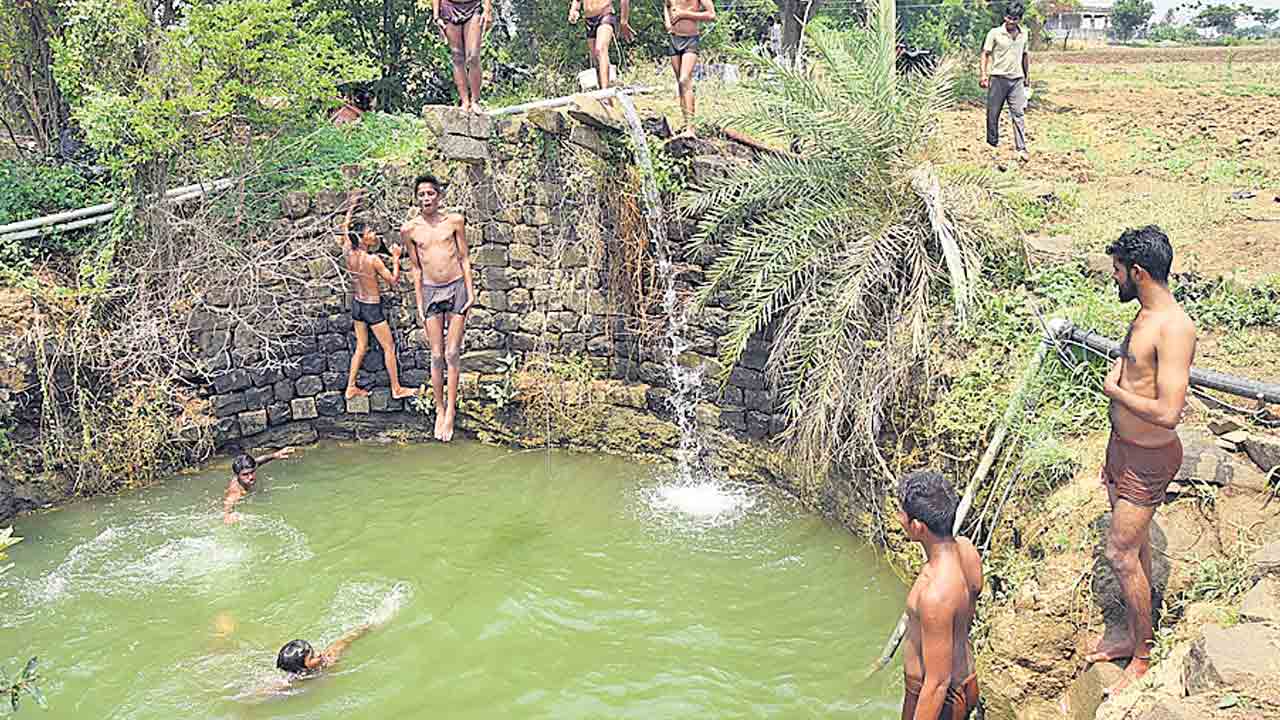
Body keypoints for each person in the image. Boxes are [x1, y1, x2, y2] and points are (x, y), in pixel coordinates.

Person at [1086, 225, 1196, 696]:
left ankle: (1144, 657)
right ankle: (1132, 635)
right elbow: (1135, 368)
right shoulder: (1144, 314)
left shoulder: (1174, 326)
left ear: (1138, 272)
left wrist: (1113, 391)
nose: (1113, 279)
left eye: (1117, 271)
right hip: (1123, 450)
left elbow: (1170, 412)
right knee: (1137, 548)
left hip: (1148, 459)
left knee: (1120, 552)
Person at [898, 469, 983, 720]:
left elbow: (937, 684)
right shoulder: (968, 551)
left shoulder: (935, 593)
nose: (898, 518)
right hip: (964, 680)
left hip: (940, 701)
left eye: (901, 513)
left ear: (918, 526)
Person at [401, 175, 475, 443]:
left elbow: (464, 257)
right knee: (436, 355)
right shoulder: (409, 230)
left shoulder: (454, 221)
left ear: (438, 196)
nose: (426, 199)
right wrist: (419, 301)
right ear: (416, 198)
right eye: (421, 194)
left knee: (452, 352)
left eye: (430, 194)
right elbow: (416, 268)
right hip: (431, 291)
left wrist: (471, 290)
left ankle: (451, 411)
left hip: (456, 287)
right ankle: (439, 409)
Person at [337, 189, 419, 402]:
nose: (374, 234)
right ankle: (396, 388)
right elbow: (392, 280)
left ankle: (350, 387)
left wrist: (352, 204)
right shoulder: (372, 260)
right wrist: (395, 257)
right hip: (372, 308)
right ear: (362, 239)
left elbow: (345, 227)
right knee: (388, 346)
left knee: (361, 347)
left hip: (357, 304)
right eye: (370, 232)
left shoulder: (348, 250)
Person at [980, 4, 1030, 163]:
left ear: (1019, 20)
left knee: (1018, 114)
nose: (1010, 22)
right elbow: (985, 54)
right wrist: (983, 74)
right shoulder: (994, 33)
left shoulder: (1024, 34)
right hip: (998, 78)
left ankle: (1021, 148)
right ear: (1004, 17)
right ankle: (992, 145)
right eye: (1008, 18)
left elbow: (1025, 55)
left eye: (1014, 19)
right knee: (993, 114)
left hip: (1017, 80)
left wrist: (1027, 76)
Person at [663, 0, 716, 135]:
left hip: (691, 39)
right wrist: (668, 22)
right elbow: (667, 5)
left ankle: (691, 128)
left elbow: (711, 15)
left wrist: (684, 14)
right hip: (674, 38)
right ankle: (686, 123)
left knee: (684, 79)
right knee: (680, 84)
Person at [433, 0, 493, 113]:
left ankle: (475, 100)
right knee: (457, 56)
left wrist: (487, 10)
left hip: (473, 7)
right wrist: (436, 16)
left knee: (473, 56)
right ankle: (465, 101)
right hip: (449, 8)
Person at [569, 0, 634, 93]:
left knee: (600, 49)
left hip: (605, 14)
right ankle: (602, 93)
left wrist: (624, 20)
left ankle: (605, 92)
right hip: (589, 19)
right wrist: (574, 9)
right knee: (595, 58)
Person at [222, 447, 296, 524]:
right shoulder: (236, 490)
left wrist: (275, 455)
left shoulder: (251, 467)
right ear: (237, 475)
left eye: (252, 472)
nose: (250, 477)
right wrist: (227, 515)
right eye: (245, 475)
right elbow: (229, 502)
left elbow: (259, 461)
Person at [276, 625, 373, 677]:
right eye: (312, 657)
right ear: (301, 668)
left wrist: (365, 629)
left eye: (313, 652)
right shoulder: (292, 683)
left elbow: (344, 641)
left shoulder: (329, 658)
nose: (319, 654)